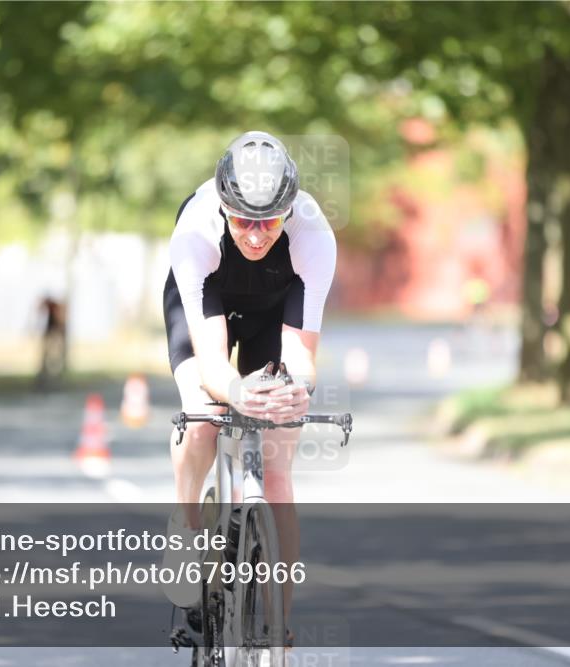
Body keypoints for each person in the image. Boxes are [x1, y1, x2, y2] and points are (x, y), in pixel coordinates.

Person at [161, 131, 337, 634]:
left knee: (278, 470)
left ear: (289, 211)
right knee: (203, 416)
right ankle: (186, 521)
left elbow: (301, 355)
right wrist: (236, 393)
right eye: (242, 220)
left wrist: (292, 394)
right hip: (209, 304)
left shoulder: (314, 236)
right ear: (222, 208)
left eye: (269, 221)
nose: (257, 234)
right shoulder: (195, 233)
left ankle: (278, 631)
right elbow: (214, 363)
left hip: (275, 312)